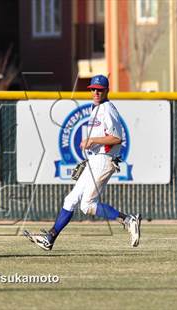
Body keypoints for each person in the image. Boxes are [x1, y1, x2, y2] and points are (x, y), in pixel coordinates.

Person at [26, 75, 141, 250]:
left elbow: (117, 138)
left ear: (106, 90)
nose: (96, 92)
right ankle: (50, 238)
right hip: (95, 159)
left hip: (105, 160)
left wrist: (92, 140)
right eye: (93, 89)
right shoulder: (96, 108)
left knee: (87, 205)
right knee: (70, 200)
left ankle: (128, 220)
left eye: (99, 89)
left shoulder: (108, 109)